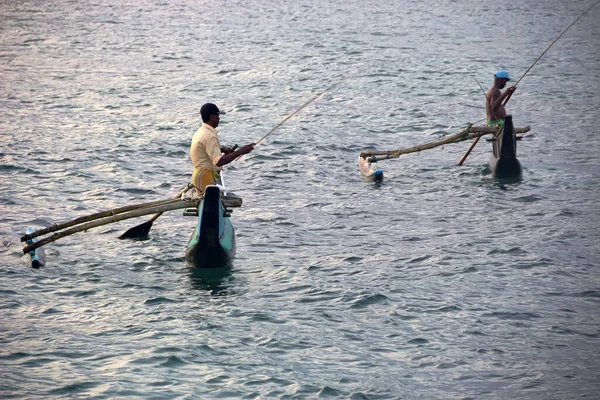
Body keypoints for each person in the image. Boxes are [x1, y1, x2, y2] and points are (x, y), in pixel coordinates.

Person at [190, 103, 254, 194]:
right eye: (217, 116)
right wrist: (241, 151)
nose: (219, 118)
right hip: (205, 177)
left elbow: (204, 150)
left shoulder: (201, 131)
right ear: (212, 117)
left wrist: (222, 150)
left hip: (200, 174)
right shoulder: (210, 136)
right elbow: (219, 161)